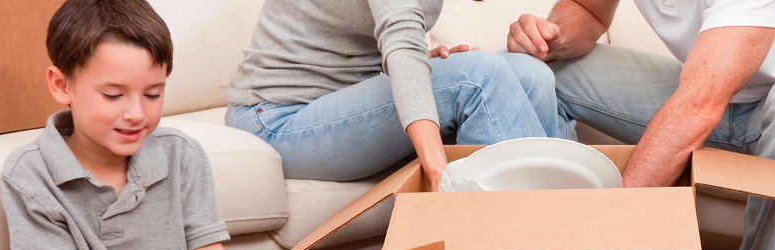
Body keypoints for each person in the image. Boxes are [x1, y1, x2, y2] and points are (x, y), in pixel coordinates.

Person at [505, 1, 775, 250]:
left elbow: (700, 103)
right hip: (710, 93)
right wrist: (549, 36)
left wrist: (607, 230)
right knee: (530, 73)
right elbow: (588, 9)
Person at [0, 0, 234, 250]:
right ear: (62, 86)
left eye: (152, 95)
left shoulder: (182, 155)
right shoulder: (30, 175)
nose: (136, 114)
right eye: (113, 95)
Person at [223, 0, 569, 191]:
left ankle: (562, 233)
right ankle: (521, 243)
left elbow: (389, 43)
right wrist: (439, 173)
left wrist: (422, 70)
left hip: (348, 97)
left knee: (530, 72)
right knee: (478, 74)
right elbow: (400, 35)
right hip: (277, 117)